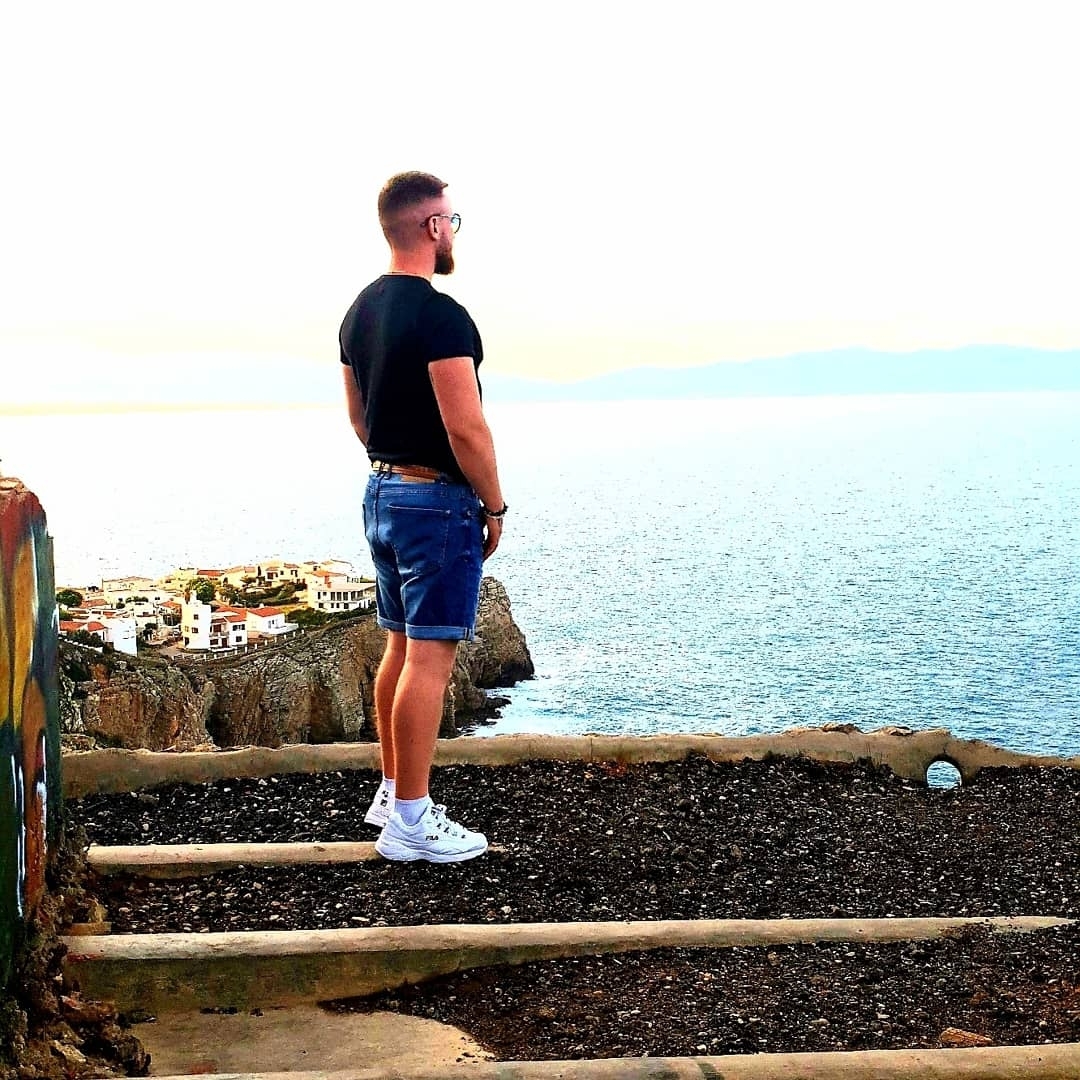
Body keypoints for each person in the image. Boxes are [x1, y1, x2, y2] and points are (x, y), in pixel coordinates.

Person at [339, 171, 507, 863]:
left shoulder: (359, 312)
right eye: (451, 221)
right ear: (432, 227)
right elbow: (466, 426)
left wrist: (395, 466)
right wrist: (493, 503)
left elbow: (358, 417)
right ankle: (411, 819)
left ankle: (391, 791)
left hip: (382, 491)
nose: (453, 233)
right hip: (435, 500)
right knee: (430, 659)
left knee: (400, 648)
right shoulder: (441, 316)